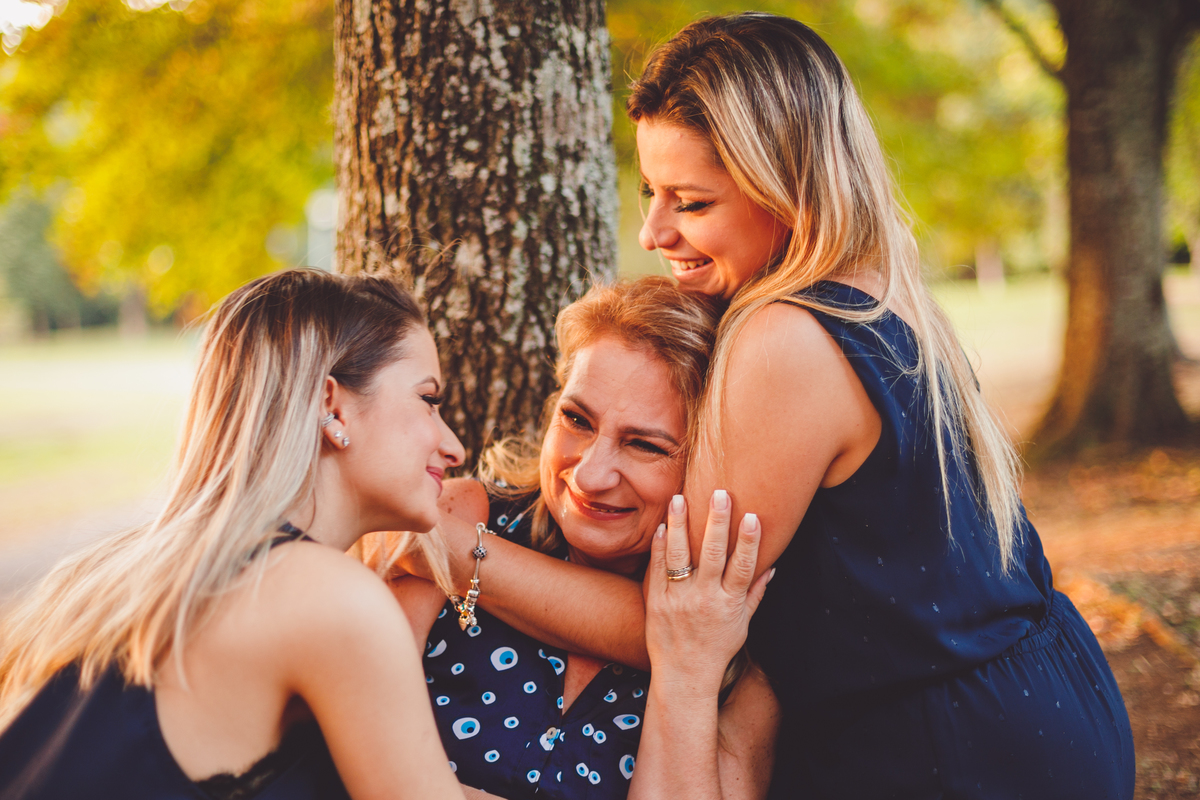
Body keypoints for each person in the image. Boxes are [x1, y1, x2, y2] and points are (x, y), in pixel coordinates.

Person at [404, 12, 1136, 799]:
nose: (652, 231)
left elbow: (676, 621)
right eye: (651, 191)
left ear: (787, 192)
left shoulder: (786, 337)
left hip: (954, 750)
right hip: (1036, 689)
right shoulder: (880, 290)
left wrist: (449, 546)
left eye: (691, 202)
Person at [0, 269, 468, 800]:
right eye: (429, 400)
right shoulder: (327, 597)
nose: (454, 447)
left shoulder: (120, 572)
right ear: (331, 406)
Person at [374, 278, 778, 800]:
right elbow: (348, 756)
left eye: (644, 445)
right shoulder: (460, 514)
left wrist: (689, 675)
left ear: (707, 467)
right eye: (576, 419)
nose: (589, 475)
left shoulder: (740, 666)